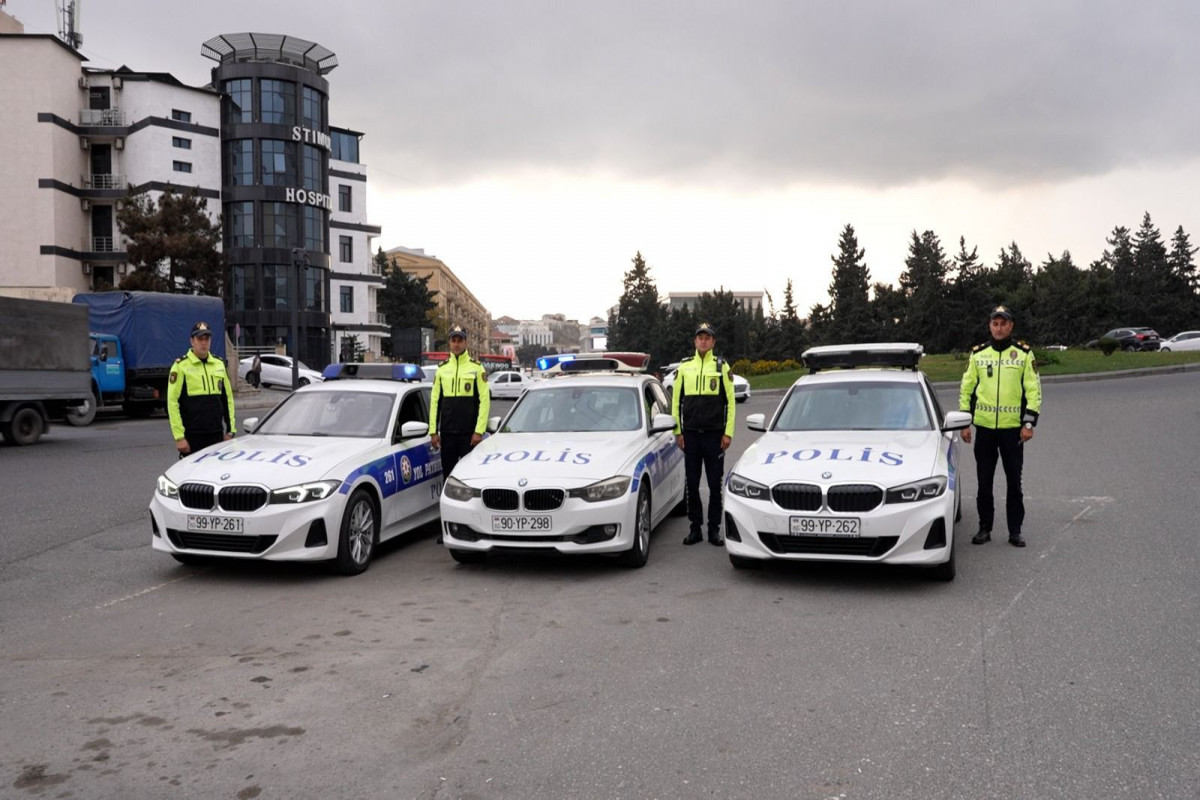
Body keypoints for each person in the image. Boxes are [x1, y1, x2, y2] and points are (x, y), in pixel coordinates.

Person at [959, 305, 1042, 547]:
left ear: (1011, 326)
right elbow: (966, 389)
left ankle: (1015, 531)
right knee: (984, 483)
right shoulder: (978, 354)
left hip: (1012, 431)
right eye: (995, 323)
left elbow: (1033, 390)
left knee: (1014, 482)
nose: (999, 328)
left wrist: (1028, 423)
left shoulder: (1024, 354)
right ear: (990, 326)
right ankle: (984, 528)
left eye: (1003, 323)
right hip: (985, 430)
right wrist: (965, 423)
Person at [671, 322, 736, 546]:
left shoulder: (721, 367)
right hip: (690, 436)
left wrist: (728, 433)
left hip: (714, 436)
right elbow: (676, 402)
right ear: (695, 341)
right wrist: (678, 431)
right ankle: (695, 528)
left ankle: (714, 530)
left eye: (707, 338)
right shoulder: (685, 367)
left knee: (715, 485)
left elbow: (731, 403)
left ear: (713, 342)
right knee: (692, 483)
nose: (703, 341)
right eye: (700, 337)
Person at [429, 325, 491, 480]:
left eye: (460, 340)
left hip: (469, 436)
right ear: (449, 342)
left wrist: (479, 431)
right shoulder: (441, 369)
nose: (456, 344)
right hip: (447, 435)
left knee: (470, 478)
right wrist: (433, 432)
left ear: (465, 342)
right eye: (453, 340)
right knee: (448, 477)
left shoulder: (477, 368)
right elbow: (435, 401)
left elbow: (484, 401)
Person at [167, 321, 236, 458]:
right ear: (192, 341)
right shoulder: (180, 366)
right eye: (200, 339)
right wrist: (179, 437)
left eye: (207, 339)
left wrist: (230, 431)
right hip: (192, 437)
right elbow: (172, 402)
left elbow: (227, 399)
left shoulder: (219, 364)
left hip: (216, 435)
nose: (204, 343)